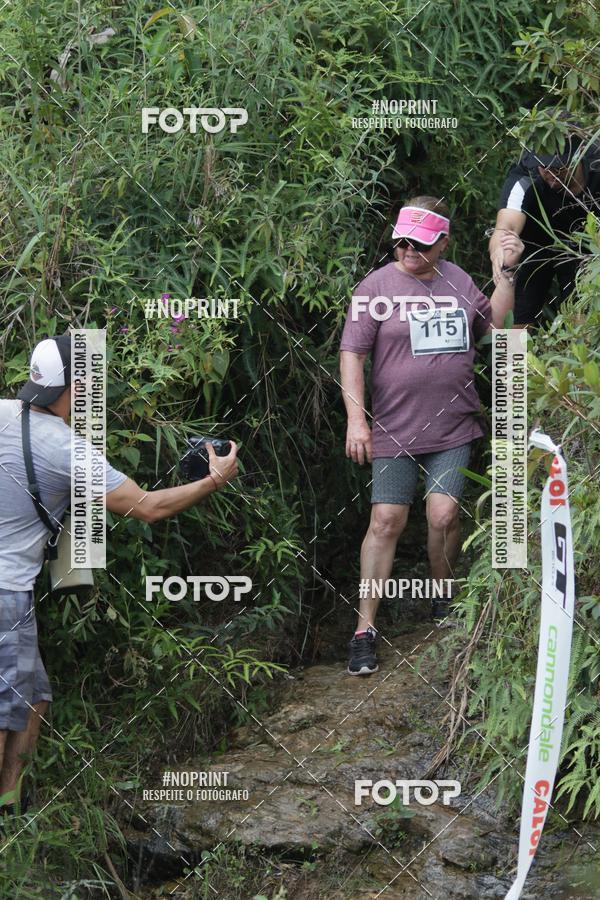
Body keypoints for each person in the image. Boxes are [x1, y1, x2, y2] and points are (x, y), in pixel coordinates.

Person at [0, 333, 238, 817]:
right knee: (5, 708)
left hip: (12, 591)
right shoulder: (68, 450)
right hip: (6, 592)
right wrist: (214, 479)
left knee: (34, 695)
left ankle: (9, 797)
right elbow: (148, 508)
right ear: (78, 384)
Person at [340, 196, 523, 675]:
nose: (407, 251)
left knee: (442, 514)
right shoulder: (375, 287)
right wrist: (356, 419)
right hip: (393, 428)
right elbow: (351, 356)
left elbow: (496, 327)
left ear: (443, 242)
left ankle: (442, 598)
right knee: (386, 521)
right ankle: (364, 629)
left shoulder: (459, 280)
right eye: (401, 242)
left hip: (453, 424)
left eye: (419, 245)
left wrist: (504, 274)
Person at [488, 132, 600, 325]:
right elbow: (505, 228)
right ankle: (511, 355)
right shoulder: (526, 175)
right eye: (544, 166)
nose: (551, 173)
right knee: (517, 314)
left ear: (579, 156)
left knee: (582, 311)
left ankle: (577, 352)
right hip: (534, 245)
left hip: (587, 246)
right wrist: (501, 252)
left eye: (559, 167)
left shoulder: (596, 166)